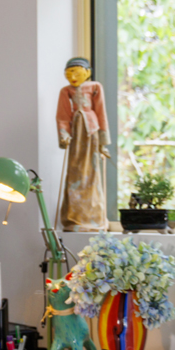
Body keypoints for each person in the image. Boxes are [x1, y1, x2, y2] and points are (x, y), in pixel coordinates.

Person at [56, 56, 111, 231]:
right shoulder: (66, 91)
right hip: (76, 135)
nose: (73, 77)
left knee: (92, 173)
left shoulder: (95, 87)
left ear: (87, 73)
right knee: (75, 173)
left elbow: (101, 112)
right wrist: (63, 134)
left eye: (77, 72)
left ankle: (95, 218)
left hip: (91, 133)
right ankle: (74, 217)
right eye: (69, 73)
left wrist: (103, 142)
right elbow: (63, 115)